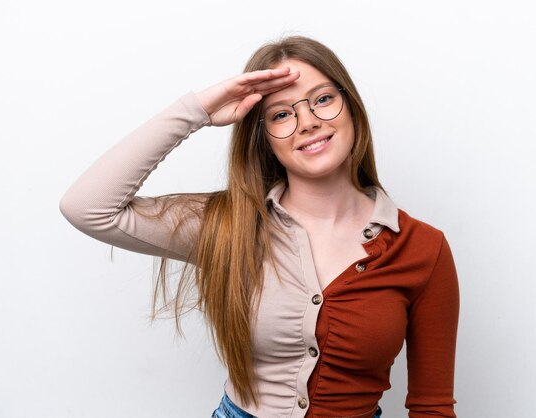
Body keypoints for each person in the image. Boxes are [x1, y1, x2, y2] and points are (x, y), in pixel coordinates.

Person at [60, 35, 459, 418]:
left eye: (323, 99)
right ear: (264, 138)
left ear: (351, 107)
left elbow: (431, 408)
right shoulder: (227, 225)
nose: (307, 122)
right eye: (282, 114)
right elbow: (88, 207)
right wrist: (197, 110)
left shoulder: (422, 248)